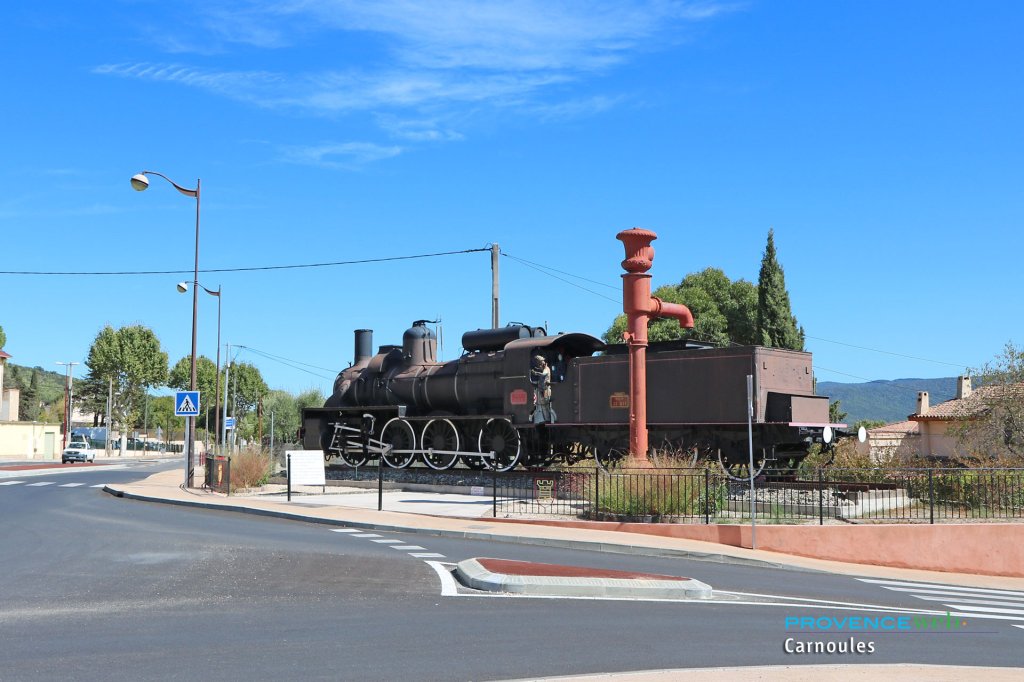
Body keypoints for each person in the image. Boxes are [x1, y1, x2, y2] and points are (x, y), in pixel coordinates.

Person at [530, 354, 557, 423]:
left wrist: (535, 373)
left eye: (540, 363)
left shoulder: (546, 369)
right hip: (542, 390)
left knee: (546, 406)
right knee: (542, 406)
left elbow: (543, 374)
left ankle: (548, 419)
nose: (540, 365)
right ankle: (546, 419)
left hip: (545, 390)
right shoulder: (543, 368)